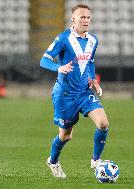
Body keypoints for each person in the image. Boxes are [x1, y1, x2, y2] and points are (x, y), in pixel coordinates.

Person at [40, 3, 109, 178]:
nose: (85, 20)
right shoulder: (63, 38)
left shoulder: (93, 40)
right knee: (65, 136)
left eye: (87, 17)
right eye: (82, 17)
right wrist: (58, 68)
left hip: (84, 93)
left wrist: (93, 80)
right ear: (73, 19)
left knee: (103, 123)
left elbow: (90, 62)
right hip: (64, 95)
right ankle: (53, 161)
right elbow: (44, 60)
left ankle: (96, 160)